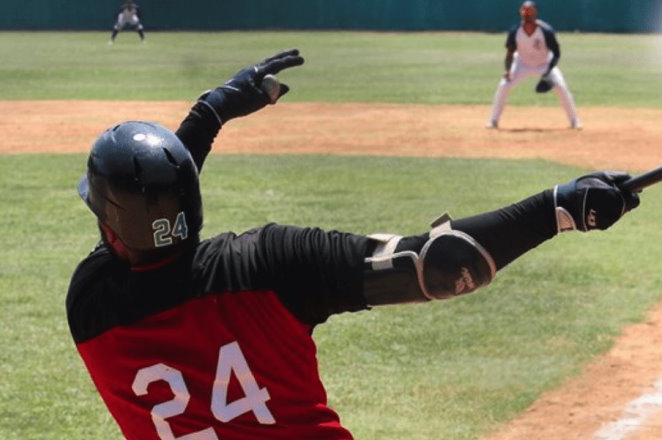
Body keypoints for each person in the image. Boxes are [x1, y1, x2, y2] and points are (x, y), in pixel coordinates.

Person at [66, 49, 640, 439]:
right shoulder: (271, 264)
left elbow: (141, 232)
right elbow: (441, 264)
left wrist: (207, 116)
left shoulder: (89, 306)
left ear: (107, 225)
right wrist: (560, 207)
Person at [487, 1, 581, 129]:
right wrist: (508, 70)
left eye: (530, 11)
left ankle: (574, 120)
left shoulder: (546, 31)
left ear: (535, 13)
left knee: (561, 87)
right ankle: (493, 120)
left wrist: (548, 72)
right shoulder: (515, 32)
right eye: (524, 11)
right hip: (522, 63)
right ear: (521, 13)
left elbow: (557, 53)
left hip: (544, 64)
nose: (527, 14)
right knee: (504, 85)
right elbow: (509, 53)